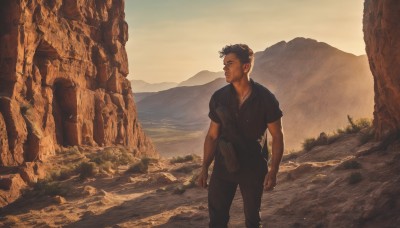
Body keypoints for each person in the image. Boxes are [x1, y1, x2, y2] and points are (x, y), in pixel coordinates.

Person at [197, 44, 284, 228]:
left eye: (230, 63)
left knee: (252, 221)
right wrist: (205, 167)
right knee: (217, 220)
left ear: (245, 67)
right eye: (224, 64)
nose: (224, 68)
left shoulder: (266, 98)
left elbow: (277, 136)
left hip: (253, 167)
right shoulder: (219, 97)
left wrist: (273, 170)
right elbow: (212, 136)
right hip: (223, 166)